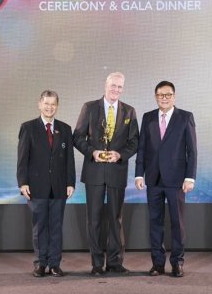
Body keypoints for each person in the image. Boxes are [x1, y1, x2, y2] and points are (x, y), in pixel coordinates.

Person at [73, 72, 139, 275]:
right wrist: (92, 152)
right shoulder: (89, 107)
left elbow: (134, 141)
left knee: (115, 218)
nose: (116, 90)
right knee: (93, 219)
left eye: (119, 87)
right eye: (113, 86)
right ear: (105, 86)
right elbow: (77, 137)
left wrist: (120, 155)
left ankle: (114, 262)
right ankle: (96, 264)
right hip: (94, 171)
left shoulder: (129, 111)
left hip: (117, 172)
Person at [135, 81, 197, 277]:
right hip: (153, 179)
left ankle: (177, 262)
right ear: (155, 97)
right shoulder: (148, 117)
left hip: (176, 180)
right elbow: (142, 148)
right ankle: (158, 263)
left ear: (174, 96)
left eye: (168, 94)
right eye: (161, 95)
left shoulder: (185, 117)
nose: (164, 97)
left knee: (177, 222)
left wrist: (190, 178)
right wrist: (139, 174)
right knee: (155, 221)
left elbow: (192, 150)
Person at [17, 90, 76, 278]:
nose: (50, 107)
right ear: (39, 104)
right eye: (46, 103)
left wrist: (70, 182)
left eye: (53, 104)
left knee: (56, 226)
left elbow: (69, 160)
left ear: (57, 106)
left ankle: (55, 264)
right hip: (36, 186)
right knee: (40, 226)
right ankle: (40, 263)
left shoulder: (65, 129)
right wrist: (23, 182)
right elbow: (22, 158)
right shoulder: (28, 128)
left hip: (59, 187)